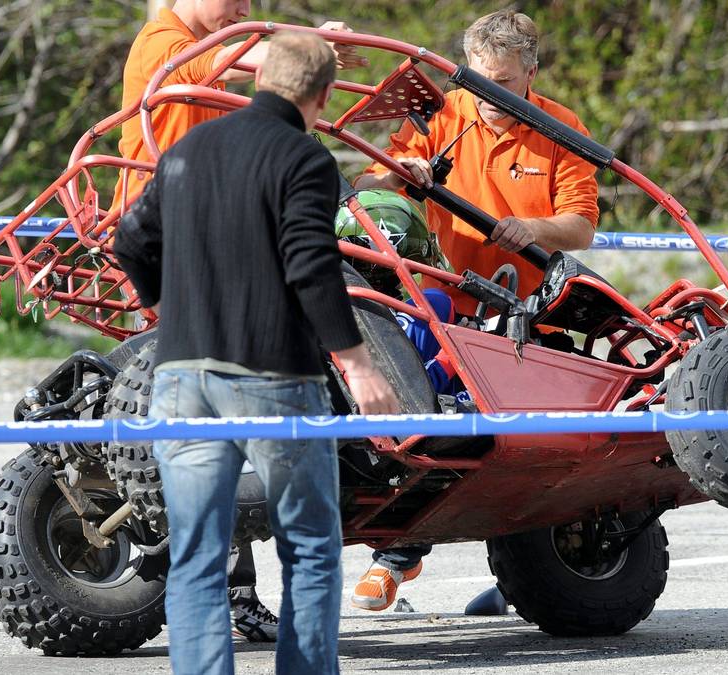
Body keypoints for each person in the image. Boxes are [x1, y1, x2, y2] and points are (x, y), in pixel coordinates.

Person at [114, 33, 400, 675]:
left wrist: (170, 307)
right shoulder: (305, 159)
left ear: (257, 78)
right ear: (323, 95)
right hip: (274, 374)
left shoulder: (187, 150)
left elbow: (131, 241)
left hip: (181, 375)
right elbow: (310, 262)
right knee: (309, 547)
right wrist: (356, 363)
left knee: (196, 551)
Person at [349, 9, 600, 611]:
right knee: (420, 429)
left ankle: (528, 577)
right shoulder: (442, 111)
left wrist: (534, 228)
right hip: (439, 301)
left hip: (524, 312)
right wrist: (402, 172)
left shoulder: (562, 127)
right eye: (479, 83)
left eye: (504, 86)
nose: (489, 99)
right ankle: (395, 557)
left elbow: (583, 224)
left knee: (530, 451)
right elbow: (372, 183)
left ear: (531, 73)